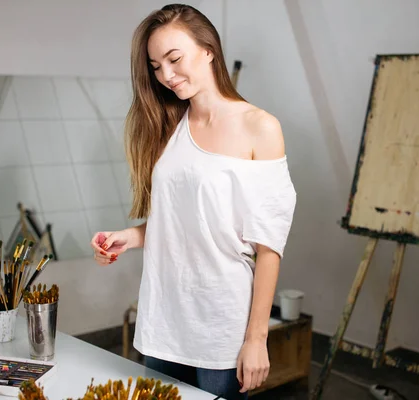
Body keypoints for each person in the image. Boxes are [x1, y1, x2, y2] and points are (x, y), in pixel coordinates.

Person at [90, 4, 296, 399]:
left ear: (208, 50)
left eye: (174, 58)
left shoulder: (260, 127)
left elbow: (269, 243)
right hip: (163, 318)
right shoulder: (170, 127)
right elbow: (185, 221)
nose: (166, 75)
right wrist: (129, 237)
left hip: (220, 326)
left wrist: (256, 338)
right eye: (155, 66)